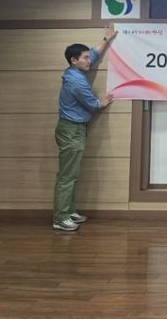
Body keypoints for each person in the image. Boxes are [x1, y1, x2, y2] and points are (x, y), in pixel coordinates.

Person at [53, 24, 117, 231]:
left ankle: (68, 210)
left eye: (88, 57)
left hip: (74, 129)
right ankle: (60, 218)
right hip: (71, 130)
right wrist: (101, 102)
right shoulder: (76, 82)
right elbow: (92, 105)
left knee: (72, 174)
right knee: (67, 176)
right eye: (85, 58)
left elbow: (95, 53)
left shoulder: (76, 71)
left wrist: (106, 39)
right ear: (74, 60)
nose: (89, 60)